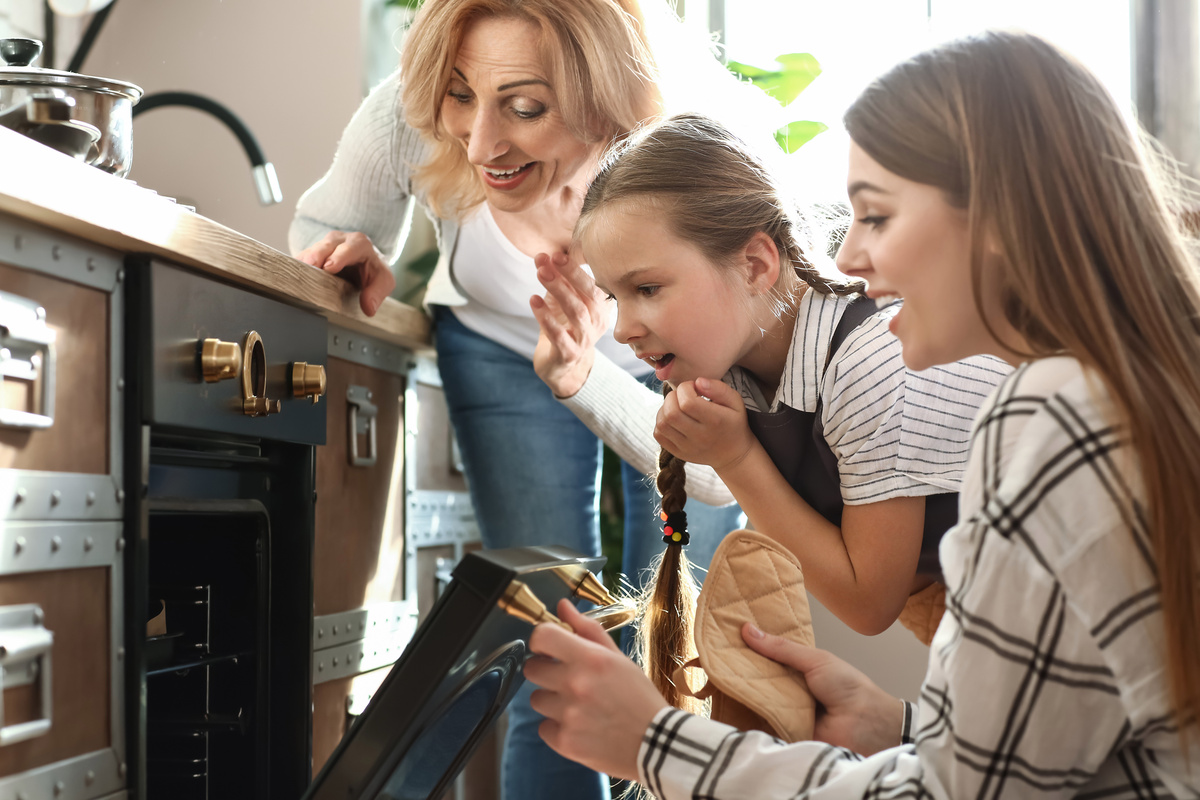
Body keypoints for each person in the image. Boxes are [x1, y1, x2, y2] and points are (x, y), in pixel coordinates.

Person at [523, 30, 1200, 799]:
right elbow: (1059, 744)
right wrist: (903, 727)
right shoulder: (1093, 398)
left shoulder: (1050, 418)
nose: (845, 258)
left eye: (875, 217)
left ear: (1000, 222)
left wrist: (661, 745)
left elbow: (955, 793)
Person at [286, 1, 757, 798]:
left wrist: (587, 374)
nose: (480, 144)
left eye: (527, 107)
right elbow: (324, 226)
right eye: (462, 97)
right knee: (556, 642)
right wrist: (342, 255)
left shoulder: (696, 144)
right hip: (503, 354)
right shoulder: (416, 104)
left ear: (606, 96)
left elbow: (720, 471)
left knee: (682, 651)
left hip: (685, 366)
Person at [531, 112, 1007, 659]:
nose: (622, 328)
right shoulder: (738, 350)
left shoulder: (871, 358)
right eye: (616, 297)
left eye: (648, 287)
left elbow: (868, 603)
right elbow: (709, 478)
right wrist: (576, 375)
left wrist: (736, 457)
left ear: (756, 264)